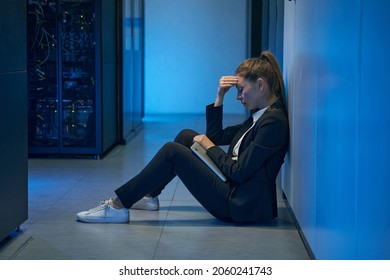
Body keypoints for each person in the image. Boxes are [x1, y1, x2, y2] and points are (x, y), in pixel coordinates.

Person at [76, 50, 289, 224]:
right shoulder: (260, 116)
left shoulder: (273, 123)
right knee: (186, 136)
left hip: (239, 203)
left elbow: (240, 172)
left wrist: (208, 145)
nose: (238, 96)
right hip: (234, 188)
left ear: (261, 85)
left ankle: (117, 206)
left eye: (241, 90)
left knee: (173, 151)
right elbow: (215, 136)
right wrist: (219, 96)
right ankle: (150, 196)